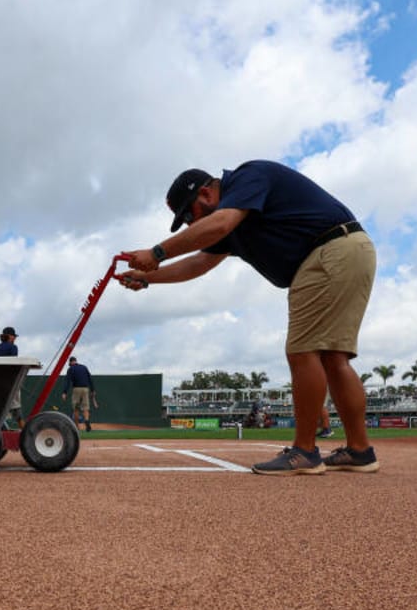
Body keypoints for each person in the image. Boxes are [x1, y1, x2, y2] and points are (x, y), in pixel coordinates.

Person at [120, 161, 377, 475]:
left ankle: (305, 452)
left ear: (206, 193)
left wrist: (157, 252)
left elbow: (218, 224)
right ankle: (360, 450)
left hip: (327, 252)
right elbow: (199, 263)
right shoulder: (234, 221)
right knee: (334, 357)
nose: (190, 226)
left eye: (189, 216)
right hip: (348, 250)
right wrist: (149, 278)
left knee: (303, 351)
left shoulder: (247, 178)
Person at [0, 327, 22, 427]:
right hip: (11, 381)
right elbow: (13, 364)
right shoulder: (13, 347)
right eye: (14, 336)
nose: (15, 338)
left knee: (0, 410)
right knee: (16, 409)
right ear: (10, 337)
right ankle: (26, 433)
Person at [62, 356, 97, 432]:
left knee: (76, 408)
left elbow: (67, 381)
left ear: (71, 362)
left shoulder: (71, 369)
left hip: (76, 389)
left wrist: (64, 392)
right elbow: (90, 378)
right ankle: (87, 421)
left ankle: (77, 427)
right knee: (86, 407)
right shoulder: (84, 367)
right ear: (76, 361)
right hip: (85, 389)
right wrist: (93, 389)